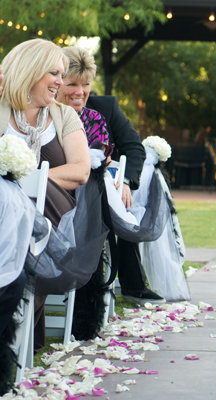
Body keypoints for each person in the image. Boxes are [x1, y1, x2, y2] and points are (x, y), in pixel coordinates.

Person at [0, 38, 90, 351]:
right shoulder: (1, 108)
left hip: (57, 212)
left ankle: (13, 322)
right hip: (5, 216)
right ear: (31, 69)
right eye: (54, 73)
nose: (61, 83)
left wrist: (29, 182)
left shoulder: (64, 116)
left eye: (62, 75)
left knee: (21, 203)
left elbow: (80, 171)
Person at [56, 46, 165, 305]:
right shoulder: (43, 111)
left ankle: (130, 284)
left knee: (116, 202)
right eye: (72, 84)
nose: (80, 92)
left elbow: (133, 146)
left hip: (102, 187)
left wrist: (126, 180)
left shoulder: (105, 108)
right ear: (58, 82)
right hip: (62, 188)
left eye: (86, 84)